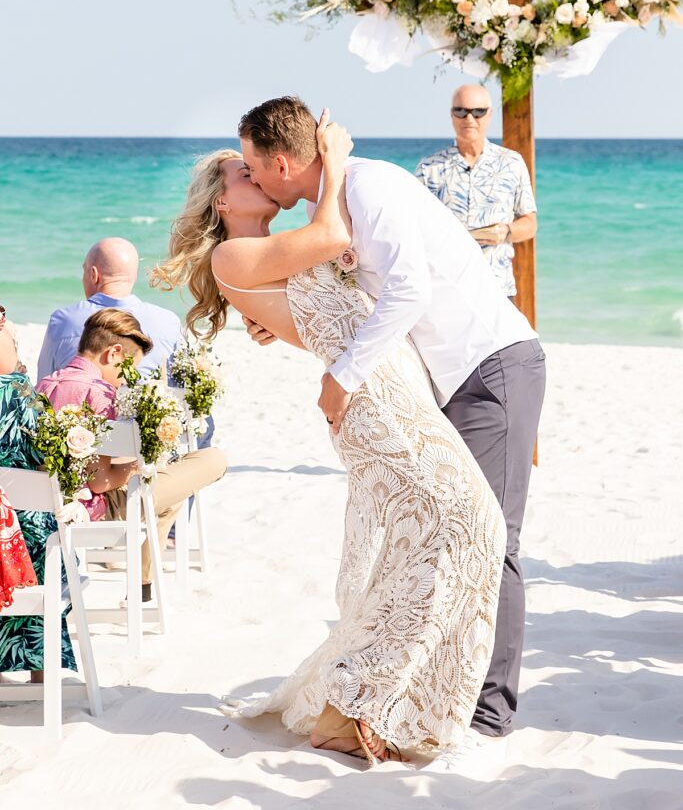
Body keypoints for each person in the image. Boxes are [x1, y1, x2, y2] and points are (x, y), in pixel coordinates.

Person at [152, 117, 507, 767]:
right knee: (469, 521)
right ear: (221, 202)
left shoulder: (277, 248)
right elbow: (335, 236)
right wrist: (335, 161)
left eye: (253, 166)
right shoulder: (232, 255)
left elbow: (334, 288)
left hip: (389, 382)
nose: (253, 174)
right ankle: (358, 703)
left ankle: (356, 707)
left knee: (430, 538)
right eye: (241, 173)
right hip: (369, 397)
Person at [237, 96, 546, 773]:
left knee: (490, 536)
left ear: (283, 163)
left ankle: (488, 710)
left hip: (492, 366)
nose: (254, 180)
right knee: (450, 531)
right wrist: (277, 319)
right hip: (451, 380)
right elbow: (353, 294)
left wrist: (341, 378)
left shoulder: (367, 186)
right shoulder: (340, 199)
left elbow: (404, 290)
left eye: (255, 169)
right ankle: (435, 694)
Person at [37, 309, 227, 600]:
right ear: (114, 353)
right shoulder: (99, 394)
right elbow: (99, 482)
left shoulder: (44, 386)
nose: (125, 379)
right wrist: (138, 465)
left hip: (44, 504)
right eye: (128, 369)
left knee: (168, 494)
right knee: (211, 460)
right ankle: (142, 585)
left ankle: (144, 585)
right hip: (90, 510)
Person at [0, 305, 77, 682]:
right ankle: (41, 672)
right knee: (38, 527)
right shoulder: (19, 396)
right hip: (21, 564)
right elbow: (51, 462)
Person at [415, 84, 538, 299]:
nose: (469, 119)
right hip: (446, 287)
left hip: (497, 287)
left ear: (490, 115)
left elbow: (530, 223)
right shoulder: (429, 167)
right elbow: (414, 227)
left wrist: (506, 232)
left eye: (478, 112)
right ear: (451, 115)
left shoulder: (511, 162)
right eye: (461, 111)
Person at [37, 237, 183, 380]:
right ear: (133, 276)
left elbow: (44, 383)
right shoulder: (169, 321)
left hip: (79, 403)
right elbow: (179, 385)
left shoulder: (63, 319)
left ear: (94, 275)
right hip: (151, 403)